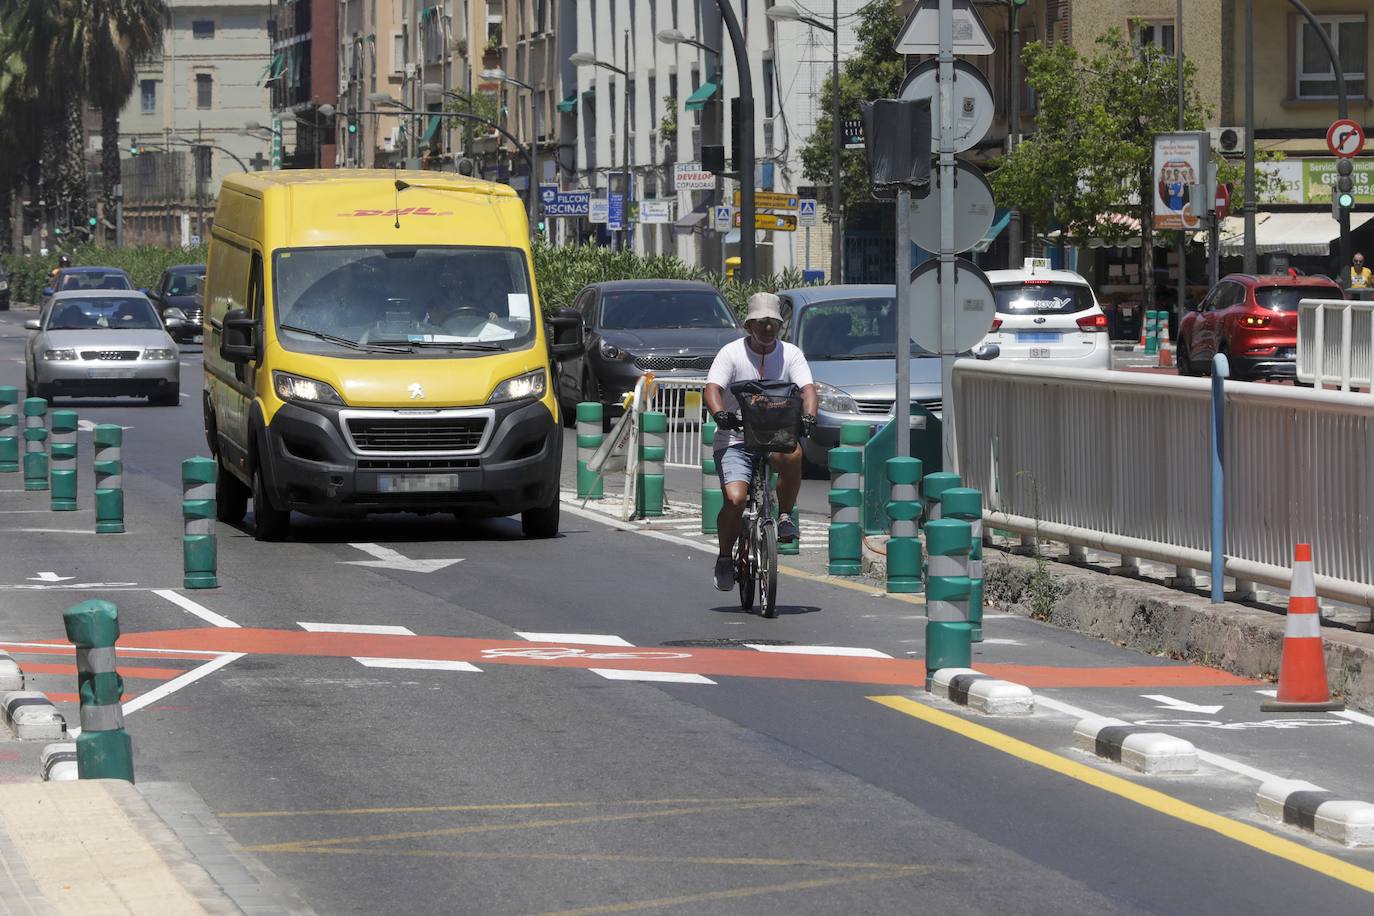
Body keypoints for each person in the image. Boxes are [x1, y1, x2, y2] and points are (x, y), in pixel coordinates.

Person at [704, 292, 818, 592]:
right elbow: (712, 389)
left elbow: (808, 390)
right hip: (736, 439)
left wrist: (809, 417)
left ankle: (783, 517)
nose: (768, 329)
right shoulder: (730, 353)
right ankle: (726, 557)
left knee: (793, 455)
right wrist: (720, 415)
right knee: (736, 499)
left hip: (776, 436)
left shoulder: (791, 354)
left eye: (774, 323)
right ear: (749, 325)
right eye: (761, 323)